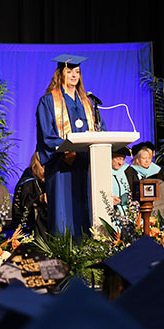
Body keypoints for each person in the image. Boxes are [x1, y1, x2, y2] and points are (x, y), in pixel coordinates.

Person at [35, 54, 105, 239]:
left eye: (77, 72)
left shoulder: (88, 102)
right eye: (69, 71)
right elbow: (46, 134)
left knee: (85, 207)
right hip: (61, 165)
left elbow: (100, 128)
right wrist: (67, 147)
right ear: (60, 73)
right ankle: (63, 256)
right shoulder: (48, 101)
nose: (74, 75)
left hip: (84, 165)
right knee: (63, 210)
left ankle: (87, 253)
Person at [11, 152, 48, 239]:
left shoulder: (54, 175)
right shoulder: (29, 176)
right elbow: (24, 201)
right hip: (31, 216)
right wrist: (40, 198)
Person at [111, 146, 132, 215]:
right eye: (118, 159)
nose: (121, 163)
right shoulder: (102, 171)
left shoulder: (128, 170)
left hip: (129, 212)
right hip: (112, 212)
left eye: (123, 159)